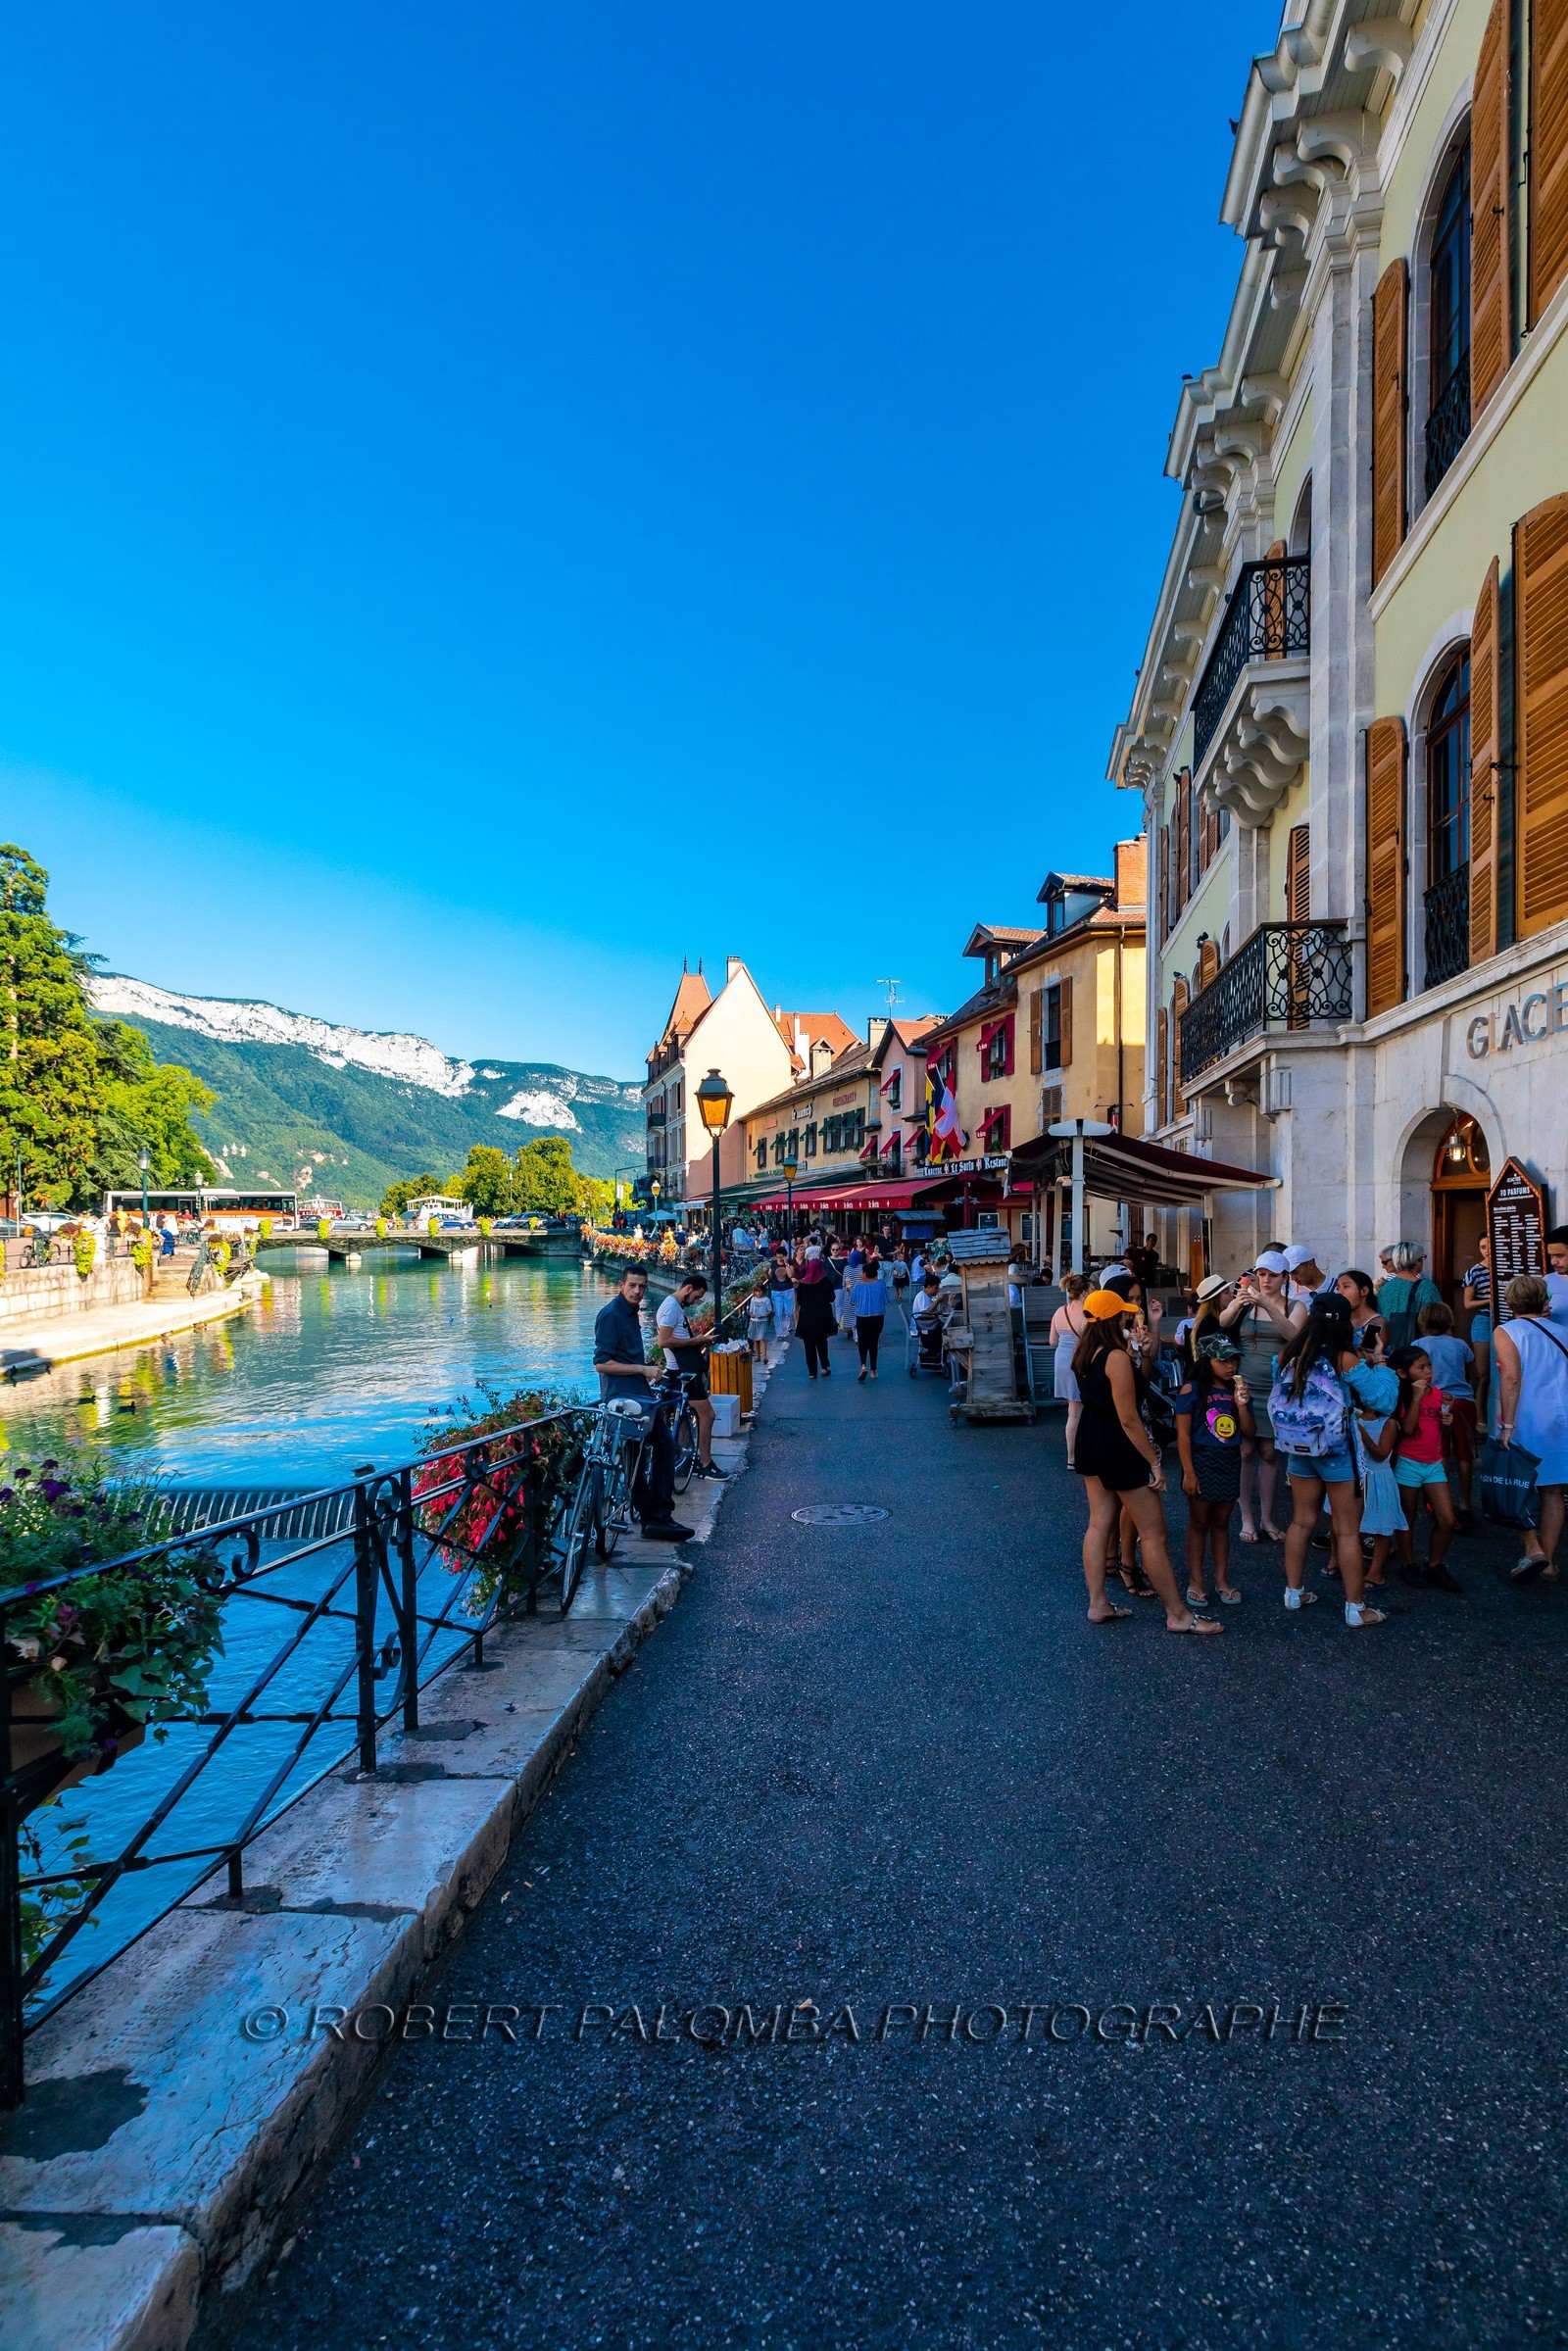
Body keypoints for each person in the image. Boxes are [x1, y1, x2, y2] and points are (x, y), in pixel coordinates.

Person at [1069, 1290, 1220, 1634]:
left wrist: (1140, 1355)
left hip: (1090, 1437)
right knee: (1154, 1534)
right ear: (1112, 1319)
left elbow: (1129, 1392)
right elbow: (1129, 1418)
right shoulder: (1114, 1357)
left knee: (1098, 1524)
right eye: (1123, 1314)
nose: (1128, 1318)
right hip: (1118, 1444)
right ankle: (1177, 1614)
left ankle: (1098, 1603)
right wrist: (1154, 1462)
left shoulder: (1084, 1351)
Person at [1271, 1293, 1384, 1625]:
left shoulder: (1288, 1354)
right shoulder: (1344, 1358)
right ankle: (1356, 1608)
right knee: (1347, 1530)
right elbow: (1380, 1398)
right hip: (1336, 1450)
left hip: (1298, 1446)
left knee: (1301, 1521)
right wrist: (1377, 1362)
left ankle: (1294, 1592)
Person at [592, 1266, 694, 1541]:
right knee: (662, 1447)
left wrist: (644, 1371)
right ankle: (657, 1516)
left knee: (639, 1457)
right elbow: (601, 1364)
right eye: (633, 1285)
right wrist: (643, 1369)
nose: (637, 1291)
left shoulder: (629, 1312)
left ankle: (653, 1517)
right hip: (625, 1399)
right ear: (621, 1285)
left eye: (642, 1286)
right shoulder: (611, 1315)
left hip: (638, 1396)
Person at [1218, 1253, 1302, 1543]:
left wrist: (1268, 1305)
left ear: (1285, 1277)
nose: (1266, 1280)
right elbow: (1223, 1320)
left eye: (1273, 1275)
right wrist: (1237, 1303)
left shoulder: (1295, 1305)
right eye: (1262, 1274)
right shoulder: (1247, 1301)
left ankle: (1267, 1518)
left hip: (1277, 1388)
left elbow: (1294, 1335)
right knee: (1245, 1451)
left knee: (1269, 1453)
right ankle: (1247, 1517)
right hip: (1245, 1385)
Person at [1494, 1273, 1568, 1581]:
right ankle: (1548, 1562)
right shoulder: (1563, 1332)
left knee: (1516, 1484)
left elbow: (1512, 1378)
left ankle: (1532, 1547)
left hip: (1528, 1416)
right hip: (1561, 1417)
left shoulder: (1507, 1331)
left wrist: (1507, 1424)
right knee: (1553, 1491)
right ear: (1544, 1301)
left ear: (1510, 1303)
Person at [1174, 1332, 1252, 1606]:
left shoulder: (1237, 1390)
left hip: (1229, 1459)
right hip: (1201, 1459)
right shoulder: (1192, 1389)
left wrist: (1242, 1405)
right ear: (1207, 1361)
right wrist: (1188, 1472)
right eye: (1223, 1360)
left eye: (1234, 1360)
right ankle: (1196, 1580)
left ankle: (1222, 1580)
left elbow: (1249, 1431)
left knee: (1221, 1523)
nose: (1230, 1366)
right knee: (1199, 1523)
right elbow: (1182, 1434)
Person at [1388, 1343, 1460, 1592]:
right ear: (1403, 1373)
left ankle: (1435, 1564)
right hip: (1408, 1462)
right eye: (1421, 1367)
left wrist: (1447, 1423)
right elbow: (1408, 1429)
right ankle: (1408, 1563)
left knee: (1447, 1519)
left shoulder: (1437, 1394)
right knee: (1407, 1517)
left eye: (1429, 1365)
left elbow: (1439, 1431)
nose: (1428, 1371)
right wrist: (1417, 1397)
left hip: (1433, 1463)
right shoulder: (1402, 1396)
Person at [1345, 1327, 1402, 1592]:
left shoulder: (1388, 1422)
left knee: (1380, 1527)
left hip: (1378, 1478)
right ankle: (1344, 1562)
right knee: (1349, 1523)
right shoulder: (1355, 1413)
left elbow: (1380, 1453)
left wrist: (1361, 1432)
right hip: (1357, 1475)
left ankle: (1376, 1570)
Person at [1417, 1298, 1479, 1528]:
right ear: (1449, 1321)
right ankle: (1465, 1503)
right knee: (1465, 1454)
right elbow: (1476, 1373)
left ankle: (1440, 1503)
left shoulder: (1419, 1344)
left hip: (1433, 1400)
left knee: (1439, 1452)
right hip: (1463, 1401)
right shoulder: (1460, 1344)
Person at [1050, 1273, 1091, 1462]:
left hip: (1061, 1360)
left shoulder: (1059, 1311)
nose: (1094, 1292)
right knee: (1075, 1412)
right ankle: (1072, 1458)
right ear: (1084, 1292)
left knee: (1073, 1409)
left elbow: (1052, 1341)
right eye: (1092, 1289)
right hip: (1078, 1362)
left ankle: (1078, 1452)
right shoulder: (1087, 1314)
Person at [1376, 1243, 1444, 1350]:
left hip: (1390, 1349)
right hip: (1420, 1349)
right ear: (1415, 1262)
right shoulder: (1426, 1288)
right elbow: (1439, 1320)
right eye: (1422, 1258)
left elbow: (1380, 1319)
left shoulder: (1384, 1288)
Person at [795, 1249, 837, 1380]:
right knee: (822, 1342)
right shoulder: (825, 1280)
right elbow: (832, 1298)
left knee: (809, 1345)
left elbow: (799, 1301)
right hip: (823, 1316)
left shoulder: (803, 1283)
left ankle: (812, 1372)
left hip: (807, 1316)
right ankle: (824, 1367)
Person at [850, 1260, 890, 1379]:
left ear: (865, 1273)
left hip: (862, 1316)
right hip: (878, 1316)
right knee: (874, 1342)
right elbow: (886, 1299)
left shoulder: (858, 1286)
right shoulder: (881, 1284)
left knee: (862, 1342)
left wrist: (849, 1290)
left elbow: (853, 1302)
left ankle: (863, 1365)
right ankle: (873, 1371)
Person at [1336, 1268, 1387, 1346]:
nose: (1339, 1292)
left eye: (1346, 1286)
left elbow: (1368, 1351)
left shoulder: (1376, 1323)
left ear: (1364, 1291)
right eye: (1338, 1288)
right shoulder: (1342, 1320)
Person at [746, 1274, 774, 1365]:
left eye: (760, 1291)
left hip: (763, 1321)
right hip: (754, 1320)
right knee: (755, 1339)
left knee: (762, 1338)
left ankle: (764, 1356)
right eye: (756, 1291)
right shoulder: (753, 1300)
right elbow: (750, 1310)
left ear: (763, 1291)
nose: (758, 1293)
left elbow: (770, 1310)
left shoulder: (766, 1299)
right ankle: (758, 1356)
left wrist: (766, 1314)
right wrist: (751, 1315)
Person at [768, 1250, 796, 1340]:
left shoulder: (789, 1262)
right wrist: (767, 1274)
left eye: (782, 1254)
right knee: (778, 1312)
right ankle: (779, 1333)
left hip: (788, 1289)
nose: (780, 1256)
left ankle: (789, 1327)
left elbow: (790, 1275)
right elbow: (770, 1276)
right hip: (776, 1291)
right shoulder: (773, 1264)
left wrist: (786, 1264)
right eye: (778, 1254)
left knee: (789, 1311)